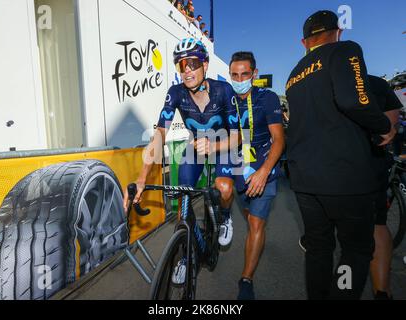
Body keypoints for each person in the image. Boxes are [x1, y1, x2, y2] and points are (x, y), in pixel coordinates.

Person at [285, 10, 396, 300]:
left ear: (304, 41)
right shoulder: (345, 49)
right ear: (338, 32)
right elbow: (354, 100)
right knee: (354, 250)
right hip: (344, 176)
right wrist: (384, 125)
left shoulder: (295, 73)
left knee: (319, 248)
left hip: (304, 178)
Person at [123, 38, 240, 282]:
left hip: (223, 142)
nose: (187, 69)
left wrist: (214, 145)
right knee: (183, 202)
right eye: (181, 64)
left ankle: (226, 217)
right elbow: (159, 135)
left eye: (193, 63)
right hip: (195, 146)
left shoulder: (223, 90)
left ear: (205, 66)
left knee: (224, 188)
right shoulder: (175, 93)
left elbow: (239, 138)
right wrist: (142, 179)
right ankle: (185, 256)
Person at [299, 75, 402, 300]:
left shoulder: (316, 83)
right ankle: (376, 291)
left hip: (342, 172)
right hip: (353, 171)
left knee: (344, 243)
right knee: (360, 238)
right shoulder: (372, 83)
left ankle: (369, 291)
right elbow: (391, 121)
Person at [229, 52, 285, 300]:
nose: (239, 79)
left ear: (254, 73)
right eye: (234, 75)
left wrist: (263, 171)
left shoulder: (267, 97)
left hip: (264, 168)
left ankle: (246, 279)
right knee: (248, 215)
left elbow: (279, 139)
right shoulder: (227, 99)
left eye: (244, 74)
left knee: (255, 223)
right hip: (239, 169)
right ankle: (255, 236)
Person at [368, 75, 402, 300]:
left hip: (345, 168)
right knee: (376, 223)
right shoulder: (376, 84)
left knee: (374, 225)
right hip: (372, 162)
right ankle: (381, 291)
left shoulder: (325, 83)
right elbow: (391, 125)